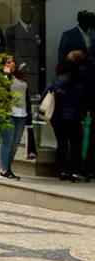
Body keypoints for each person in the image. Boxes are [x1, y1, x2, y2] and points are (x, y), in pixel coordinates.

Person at [44, 52, 88, 183]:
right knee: (76, 145)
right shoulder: (78, 83)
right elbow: (83, 101)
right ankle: (75, 171)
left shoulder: (54, 82)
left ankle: (62, 171)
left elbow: (43, 97)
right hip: (73, 116)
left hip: (57, 118)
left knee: (61, 144)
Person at [0, 57, 29, 181]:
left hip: (21, 112)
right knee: (6, 142)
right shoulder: (3, 78)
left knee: (15, 143)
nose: (11, 64)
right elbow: (2, 91)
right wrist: (7, 74)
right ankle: (3, 169)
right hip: (8, 112)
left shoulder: (19, 77)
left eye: (13, 61)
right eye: (8, 62)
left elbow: (26, 95)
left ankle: (8, 167)